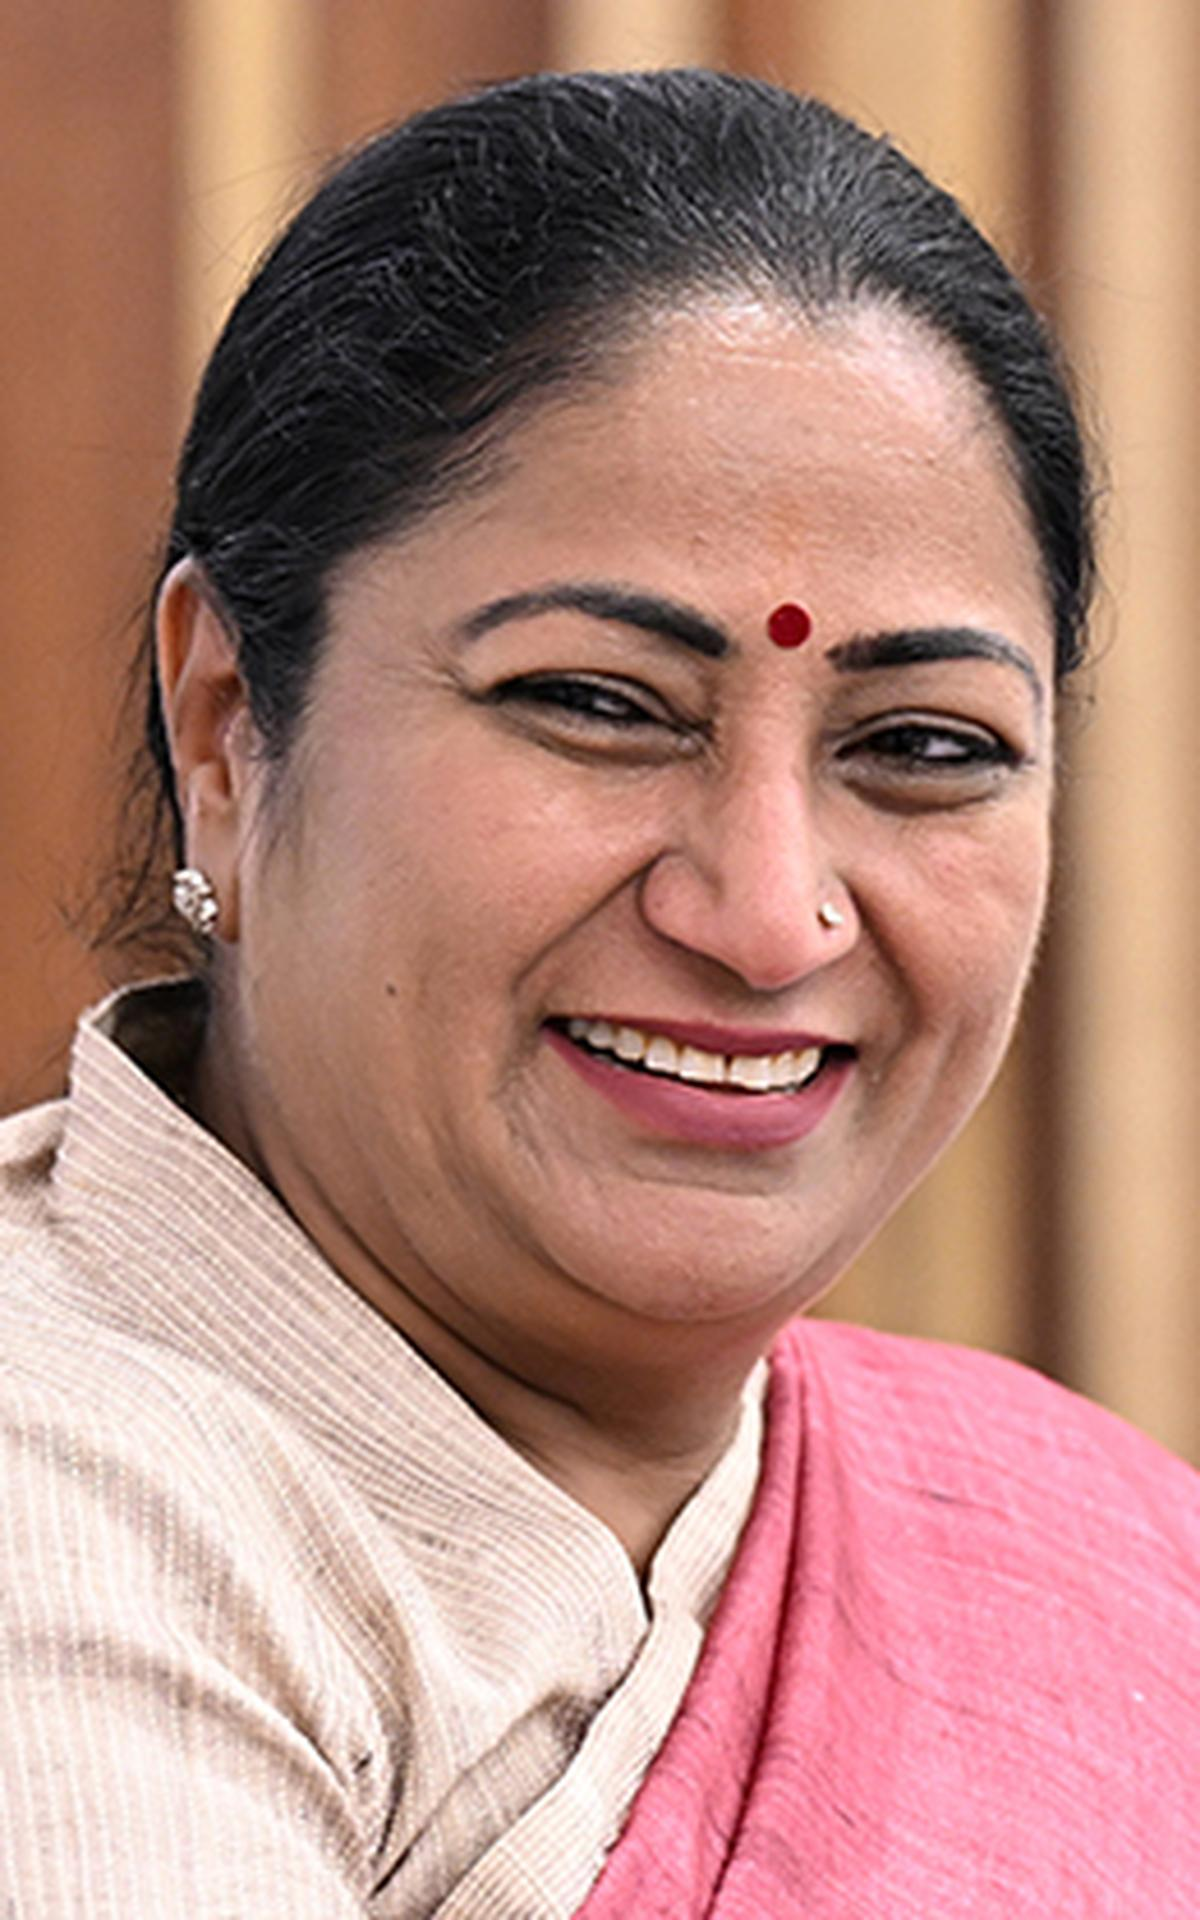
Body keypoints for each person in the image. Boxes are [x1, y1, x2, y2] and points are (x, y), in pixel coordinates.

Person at [1, 67, 1196, 1919]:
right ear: (229, 726)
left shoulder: (1101, 1563)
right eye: (598, 705)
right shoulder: (57, 1502)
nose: (768, 916)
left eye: (922, 744)